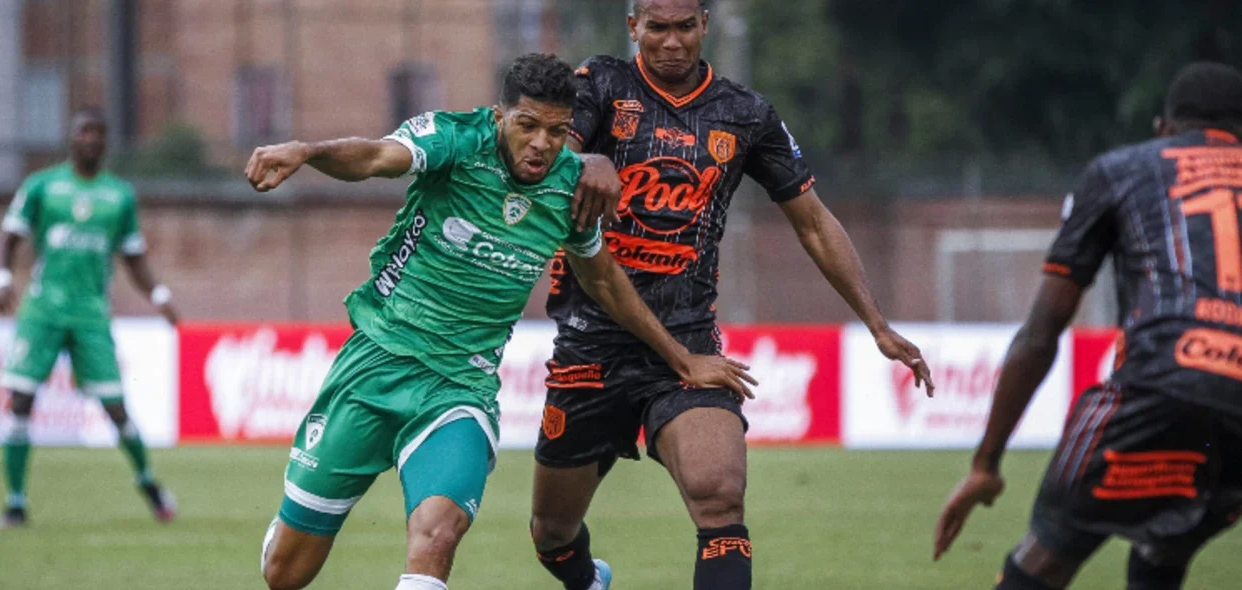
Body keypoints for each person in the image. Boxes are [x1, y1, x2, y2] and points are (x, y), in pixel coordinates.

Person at [244, 53, 756, 590]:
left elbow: (604, 281)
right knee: (285, 574)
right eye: (527, 125)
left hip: (459, 388)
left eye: (556, 131)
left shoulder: (569, 188)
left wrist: (682, 359)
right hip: (375, 365)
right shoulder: (455, 140)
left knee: (438, 535)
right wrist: (306, 152)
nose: (541, 144)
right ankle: (286, 532)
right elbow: (375, 156)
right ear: (499, 116)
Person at [529, 1, 935, 589]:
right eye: (657, 28)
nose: (672, 42)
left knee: (719, 498)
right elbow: (547, 158)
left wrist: (877, 323)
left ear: (705, 25)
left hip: (688, 346)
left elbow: (813, 223)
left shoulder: (745, 114)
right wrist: (587, 159)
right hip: (590, 344)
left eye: (684, 27)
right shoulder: (601, 83)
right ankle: (590, 581)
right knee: (551, 533)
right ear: (633, 27)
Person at [934, 61, 1242, 589]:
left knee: (1045, 558)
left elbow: (1040, 334)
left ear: (1163, 128)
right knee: (1165, 549)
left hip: (1161, 383)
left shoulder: (1123, 170)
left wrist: (986, 463)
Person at [0, 106, 180, 529]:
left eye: (98, 132)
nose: (90, 138)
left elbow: (134, 256)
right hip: (42, 311)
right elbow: (9, 237)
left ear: (105, 141)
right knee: (21, 400)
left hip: (91, 315)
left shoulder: (119, 196)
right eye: (83, 131)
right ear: (71, 137)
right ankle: (15, 502)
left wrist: (159, 295)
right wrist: (1, 278)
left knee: (115, 408)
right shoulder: (42, 186)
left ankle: (149, 485)